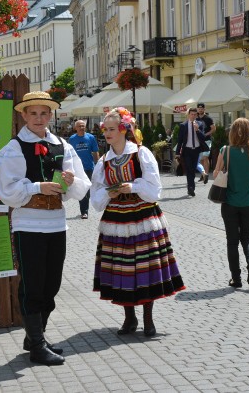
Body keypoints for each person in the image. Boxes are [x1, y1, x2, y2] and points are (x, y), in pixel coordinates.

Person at [0, 91, 91, 366]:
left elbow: (82, 184)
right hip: (28, 223)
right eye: (33, 113)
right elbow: (6, 189)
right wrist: (37, 187)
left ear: (51, 115)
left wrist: (70, 181)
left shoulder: (62, 144)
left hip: (56, 223)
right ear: (23, 115)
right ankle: (36, 345)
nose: (39, 118)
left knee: (51, 285)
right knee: (33, 285)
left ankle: (34, 336)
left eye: (44, 113)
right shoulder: (13, 148)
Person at [91, 107, 185, 337]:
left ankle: (148, 319)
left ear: (124, 129)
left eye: (112, 129)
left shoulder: (141, 154)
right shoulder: (104, 161)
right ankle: (129, 318)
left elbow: (155, 190)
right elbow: (96, 197)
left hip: (142, 216)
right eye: (105, 129)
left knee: (146, 267)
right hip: (116, 220)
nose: (107, 133)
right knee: (121, 268)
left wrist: (132, 187)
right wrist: (108, 194)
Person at [214, 118, 249, 288]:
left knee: (232, 240)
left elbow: (216, 174)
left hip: (230, 203)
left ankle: (236, 278)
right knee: (247, 238)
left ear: (233, 133)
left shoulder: (225, 151)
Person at [69, 119, 100, 219]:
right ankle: (84, 211)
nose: (81, 128)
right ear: (75, 128)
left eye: (83, 126)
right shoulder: (72, 139)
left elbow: (95, 152)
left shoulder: (90, 137)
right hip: (78, 168)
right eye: (79, 126)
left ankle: (85, 207)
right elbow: (68, 154)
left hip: (89, 167)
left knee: (88, 189)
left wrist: (99, 165)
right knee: (82, 189)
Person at [177, 107, 208, 197]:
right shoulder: (183, 125)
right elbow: (180, 140)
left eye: (195, 114)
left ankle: (191, 187)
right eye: (192, 114)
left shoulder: (200, 124)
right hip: (187, 150)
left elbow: (203, 137)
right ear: (188, 115)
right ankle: (191, 187)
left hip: (196, 150)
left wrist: (197, 130)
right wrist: (177, 153)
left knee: (193, 169)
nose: (193, 116)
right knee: (189, 169)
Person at [196, 103, 215, 183]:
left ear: (204, 109)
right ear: (197, 109)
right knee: (200, 159)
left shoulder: (208, 118)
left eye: (201, 108)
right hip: (198, 141)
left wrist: (206, 134)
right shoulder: (195, 118)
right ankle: (203, 175)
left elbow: (213, 129)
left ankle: (206, 174)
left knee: (205, 157)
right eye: (199, 108)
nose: (200, 109)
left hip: (207, 140)